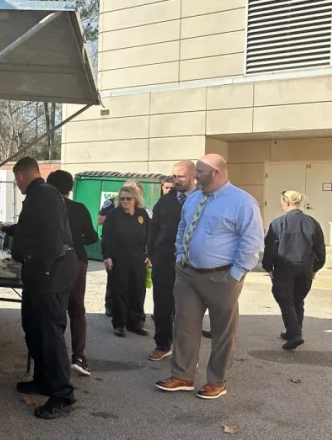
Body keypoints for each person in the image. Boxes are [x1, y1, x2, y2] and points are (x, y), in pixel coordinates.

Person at [156, 154, 263, 400]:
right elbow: (184, 227)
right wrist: (180, 257)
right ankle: (182, 376)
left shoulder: (242, 202)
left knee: (222, 331)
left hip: (221, 277)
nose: (195, 176)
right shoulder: (194, 198)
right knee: (184, 326)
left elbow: (252, 242)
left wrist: (235, 274)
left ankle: (217, 381)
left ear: (216, 172)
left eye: (200, 172)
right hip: (188, 274)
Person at [2, 157, 78, 419]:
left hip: (51, 273)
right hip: (40, 272)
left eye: (16, 179)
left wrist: (43, 267)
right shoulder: (38, 195)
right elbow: (33, 228)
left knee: (49, 332)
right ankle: (43, 379)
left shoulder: (44, 194)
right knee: (33, 327)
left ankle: (62, 394)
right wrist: (11, 230)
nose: (16, 184)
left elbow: (54, 237)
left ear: (21, 176)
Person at [46, 169, 99, 376]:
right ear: (70, 188)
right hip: (79, 260)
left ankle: (55, 355)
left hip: (55, 262)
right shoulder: (80, 208)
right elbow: (93, 238)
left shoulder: (48, 208)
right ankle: (79, 356)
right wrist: (79, 241)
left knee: (55, 308)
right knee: (77, 309)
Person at [262, 190, 326, 350]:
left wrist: (268, 267)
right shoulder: (312, 223)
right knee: (297, 299)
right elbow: (320, 250)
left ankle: (295, 334)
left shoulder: (278, 223)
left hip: (285, 268)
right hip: (305, 268)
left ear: (286, 202)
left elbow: (270, 248)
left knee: (284, 299)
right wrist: (315, 268)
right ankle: (294, 330)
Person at [146, 161, 196, 361]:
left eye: (181, 176)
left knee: (188, 308)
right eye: (174, 176)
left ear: (194, 176)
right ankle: (162, 344)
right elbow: (154, 228)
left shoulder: (202, 199)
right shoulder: (165, 201)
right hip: (165, 260)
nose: (176, 180)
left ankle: (186, 351)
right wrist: (152, 253)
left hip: (193, 262)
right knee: (162, 304)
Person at [101, 185, 150, 338]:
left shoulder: (142, 215)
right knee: (120, 291)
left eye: (128, 199)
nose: (125, 202)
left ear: (135, 199)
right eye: (122, 199)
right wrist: (107, 256)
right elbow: (106, 237)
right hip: (118, 258)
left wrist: (150, 254)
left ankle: (134, 324)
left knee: (138, 290)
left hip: (138, 259)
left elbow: (150, 235)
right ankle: (119, 324)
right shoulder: (114, 215)